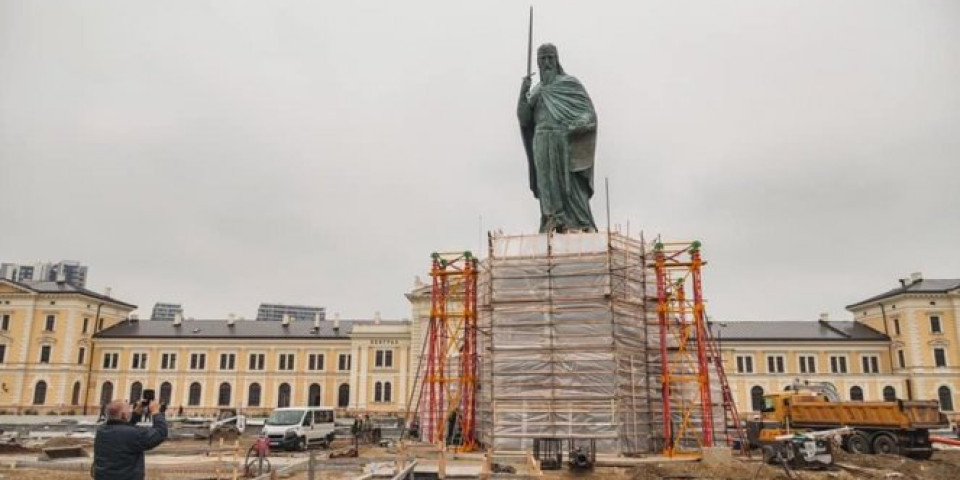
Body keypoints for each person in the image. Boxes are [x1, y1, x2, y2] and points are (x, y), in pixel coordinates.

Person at [517, 43, 599, 234]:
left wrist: (575, 126)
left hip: (563, 139)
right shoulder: (536, 91)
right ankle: (552, 219)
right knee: (546, 182)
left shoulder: (569, 84)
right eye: (543, 59)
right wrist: (523, 92)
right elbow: (524, 118)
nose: (546, 63)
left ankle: (580, 220)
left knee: (569, 183)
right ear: (537, 62)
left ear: (557, 60)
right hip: (541, 139)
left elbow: (589, 115)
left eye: (550, 58)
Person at [92, 398, 168, 480]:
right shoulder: (134, 433)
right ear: (123, 415)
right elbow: (160, 432)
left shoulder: (101, 430)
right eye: (128, 410)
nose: (130, 412)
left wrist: (136, 413)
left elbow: (122, 426)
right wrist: (155, 412)